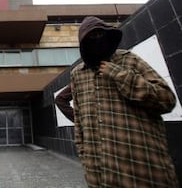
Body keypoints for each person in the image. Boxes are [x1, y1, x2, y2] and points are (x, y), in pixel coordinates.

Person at [70, 16, 178, 187]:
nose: (97, 41)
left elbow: (167, 100)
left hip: (143, 173)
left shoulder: (129, 60)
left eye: (101, 35)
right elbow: (79, 119)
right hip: (99, 175)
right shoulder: (78, 74)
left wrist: (120, 75)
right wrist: (84, 155)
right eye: (91, 37)